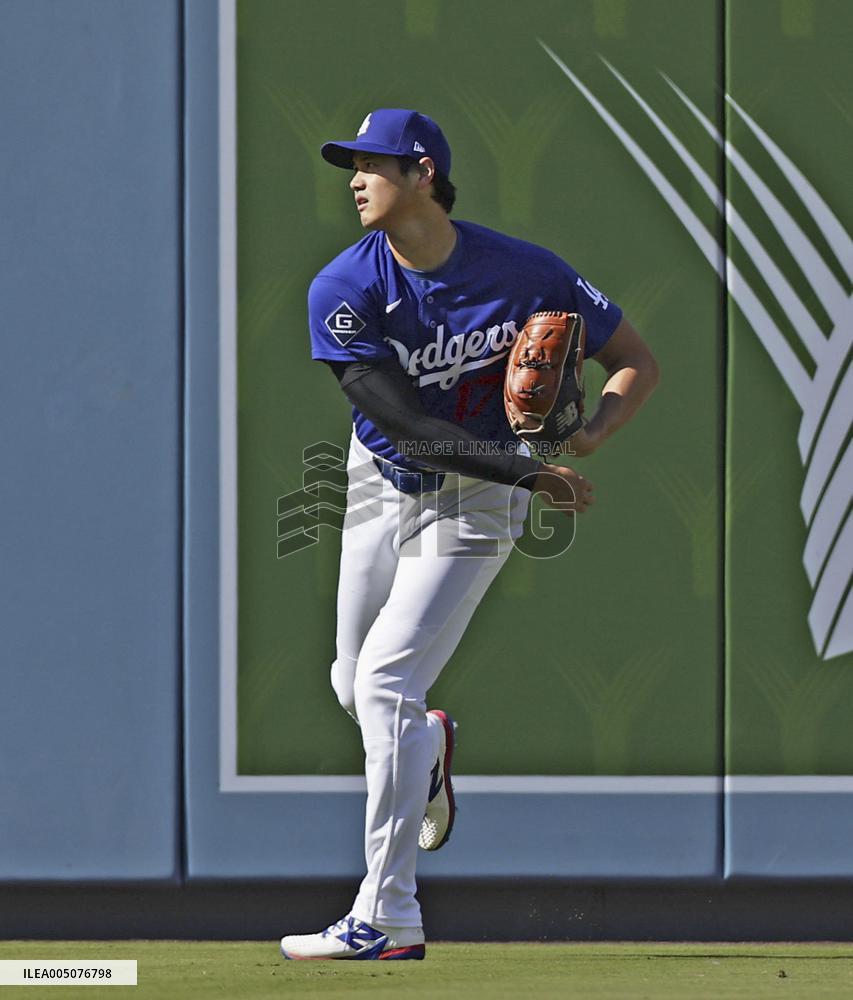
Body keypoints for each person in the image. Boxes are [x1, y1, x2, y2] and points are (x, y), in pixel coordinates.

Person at [279, 109, 659, 960]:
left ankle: (388, 916)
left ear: (421, 173)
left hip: (475, 504)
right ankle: (432, 745)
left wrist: (594, 427)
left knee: (382, 686)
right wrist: (535, 472)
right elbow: (402, 424)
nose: (353, 178)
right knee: (354, 684)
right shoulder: (344, 284)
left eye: (371, 163)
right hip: (385, 481)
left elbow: (634, 356)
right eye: (351, 165)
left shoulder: (526, 272)